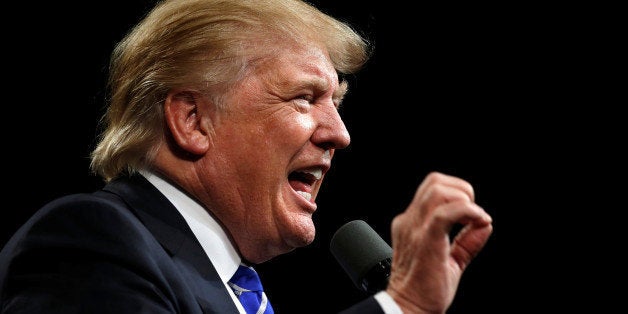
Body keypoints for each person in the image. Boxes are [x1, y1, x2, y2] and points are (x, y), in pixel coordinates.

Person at [0, 0, 493, 313]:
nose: (340, 134)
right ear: (193, 120)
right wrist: (400, 304)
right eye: (303, 97)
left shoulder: (234, 286)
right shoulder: (90, 242)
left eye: (337, 104)